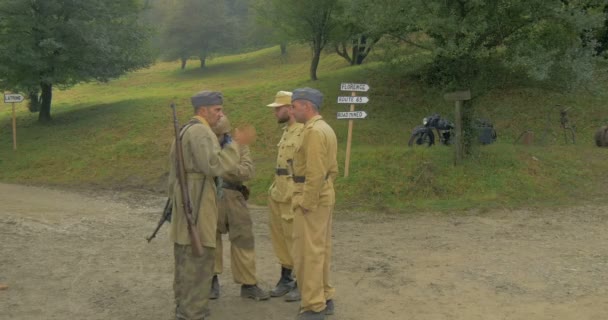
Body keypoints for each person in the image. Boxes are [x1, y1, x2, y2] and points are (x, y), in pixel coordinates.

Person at [168, 90, 255, 320]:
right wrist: (236, 145)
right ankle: (193, 312)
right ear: (203, 110)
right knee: (199, 259)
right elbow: (214, 166)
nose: (221, 114)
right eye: (217, 110)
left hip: (190, 200)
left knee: (187, 259)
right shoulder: (200, 132)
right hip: (198, 202)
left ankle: (184, 309)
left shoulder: (187, 129)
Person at [289, 88, 338, 320]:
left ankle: (313, 306)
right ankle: (324, 296)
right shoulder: (324, 128)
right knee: (321, 250)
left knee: (308, 253)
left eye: (294, 106)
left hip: (312, 198)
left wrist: (306, 202)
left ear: (307, 107)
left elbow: (316, 171)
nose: (291, 110)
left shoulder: (314, 132)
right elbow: (332, 170)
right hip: (323, 195)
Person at [210, 116, 270, 301]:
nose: (222, 136)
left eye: (225, 133)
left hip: (235, 197)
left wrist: (224, 166)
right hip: (211, 198)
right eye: (218, 134)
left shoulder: (239, 147)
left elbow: (248, 171)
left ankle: (249, 284)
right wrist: (227, 165)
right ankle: (210, 282)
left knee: (244, 239)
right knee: (210, 240)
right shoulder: (205, 147)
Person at [266, 91, 304, 301]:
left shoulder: (304, 132)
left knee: (296, 237)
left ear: (290, 109)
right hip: (278, 190)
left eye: (278, 108)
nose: (275, 112)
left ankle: (301, 281)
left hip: (293, 192)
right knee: (280, 236)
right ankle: (286, 277)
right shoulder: (287, 131)